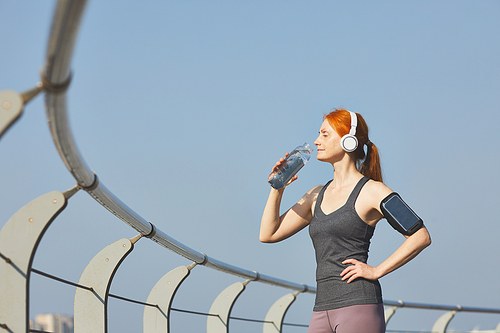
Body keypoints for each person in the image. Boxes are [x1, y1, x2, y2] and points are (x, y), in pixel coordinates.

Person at [260, 108, 431, 333]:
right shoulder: (315, 195)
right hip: (321, 308)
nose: (316, 141)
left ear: (348, 141)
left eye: (324, 134)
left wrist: (376, 270)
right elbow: (268, 234)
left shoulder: (373, 191)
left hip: (358, 305)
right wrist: (278, 188)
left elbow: (420, 235)